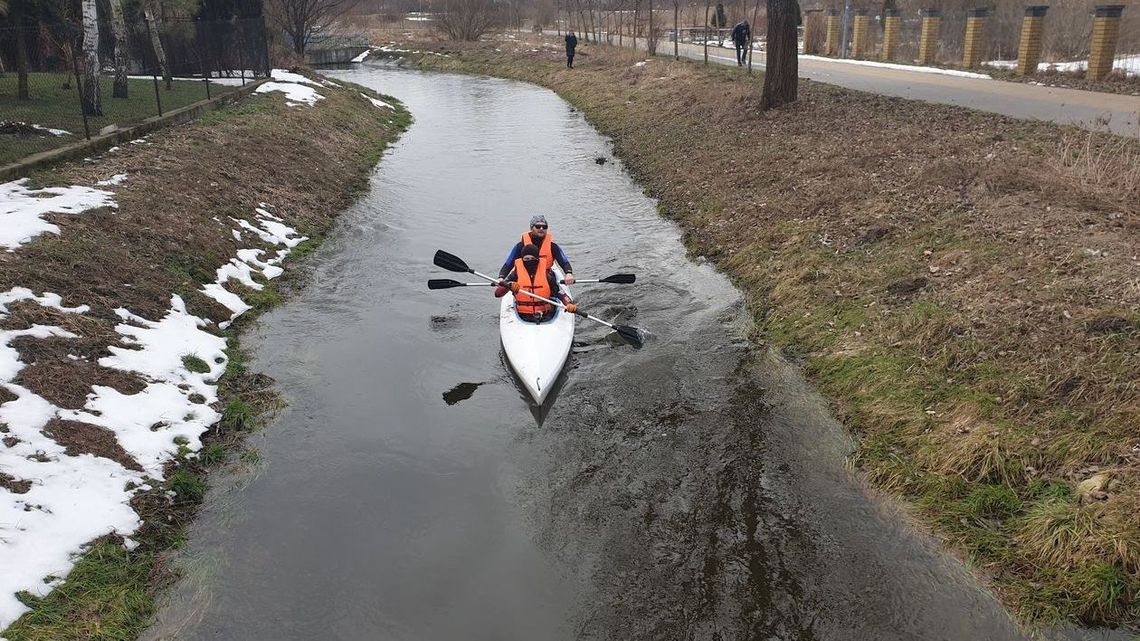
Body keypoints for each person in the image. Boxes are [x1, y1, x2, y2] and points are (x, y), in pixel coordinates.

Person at [495, 244, 576, 322]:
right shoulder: (516, 274)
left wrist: (569, 303)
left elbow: (559, 291)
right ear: (522, 259)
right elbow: (497, 294)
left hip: (545, 314)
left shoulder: (546, 275)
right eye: (526, 259)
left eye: (532, 259)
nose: (529, 261)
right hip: (523, 314)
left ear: (537, 259)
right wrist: (508, 286)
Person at [499, 215, 575, 285]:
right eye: (538, 226)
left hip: (546, 277)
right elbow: (508, 264)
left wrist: (568, 273)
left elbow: (564, 262)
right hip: (524, 277)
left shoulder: (553, 246)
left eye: (544, 227)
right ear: (532, 228)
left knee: (556, 290)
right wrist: (501, 277)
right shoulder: (520, 246)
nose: (541, 229)